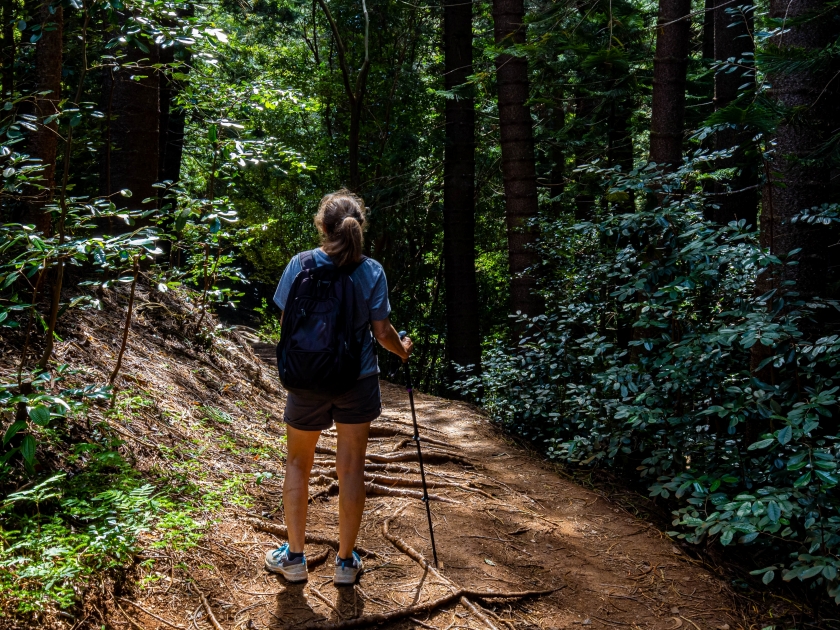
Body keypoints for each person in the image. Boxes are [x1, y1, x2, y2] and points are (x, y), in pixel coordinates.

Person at [265, 190, 413, 586]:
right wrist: (402, 351)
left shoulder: (299, 265)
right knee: (351, 468)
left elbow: (287, 326)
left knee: (298, 463)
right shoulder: (373, 271)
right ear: (358, 228)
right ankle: (346, 564)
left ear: (323, 226)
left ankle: (294, 558)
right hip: (357, 379)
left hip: (307, 380)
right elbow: (381, 332)